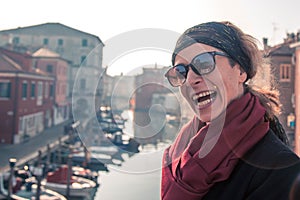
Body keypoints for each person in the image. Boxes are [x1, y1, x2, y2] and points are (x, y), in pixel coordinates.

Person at [161, 21, 300, 200]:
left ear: (241, 71)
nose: (190, 80)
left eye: (203, 63)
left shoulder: (281, 168)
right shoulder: (178, 153)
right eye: (181, 71)